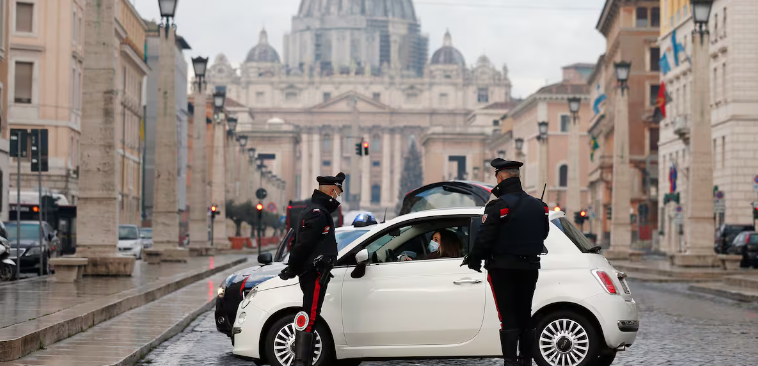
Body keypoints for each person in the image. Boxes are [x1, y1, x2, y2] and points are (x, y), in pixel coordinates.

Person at [462, 159, 549, 366]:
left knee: (508, 317)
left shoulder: (498, 206)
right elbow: (543, 233)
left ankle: (510, 362)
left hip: (503, 269)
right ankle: (525, 361)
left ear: (500, 177)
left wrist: (474, 258)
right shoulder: (539, 205)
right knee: (524, 313)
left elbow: (485, 237)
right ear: (517, 177)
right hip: (530, 267)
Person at [278, 172, 345, 366]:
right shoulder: (317, 213)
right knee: (311, 314)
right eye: (337, 193)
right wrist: (291, 268)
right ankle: (301, 362)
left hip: (315, 272)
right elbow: (302, 245)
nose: (337, 198)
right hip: (314, 273)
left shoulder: (317, 210)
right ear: (332, 191)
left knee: (311, 314)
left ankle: (304, 360)